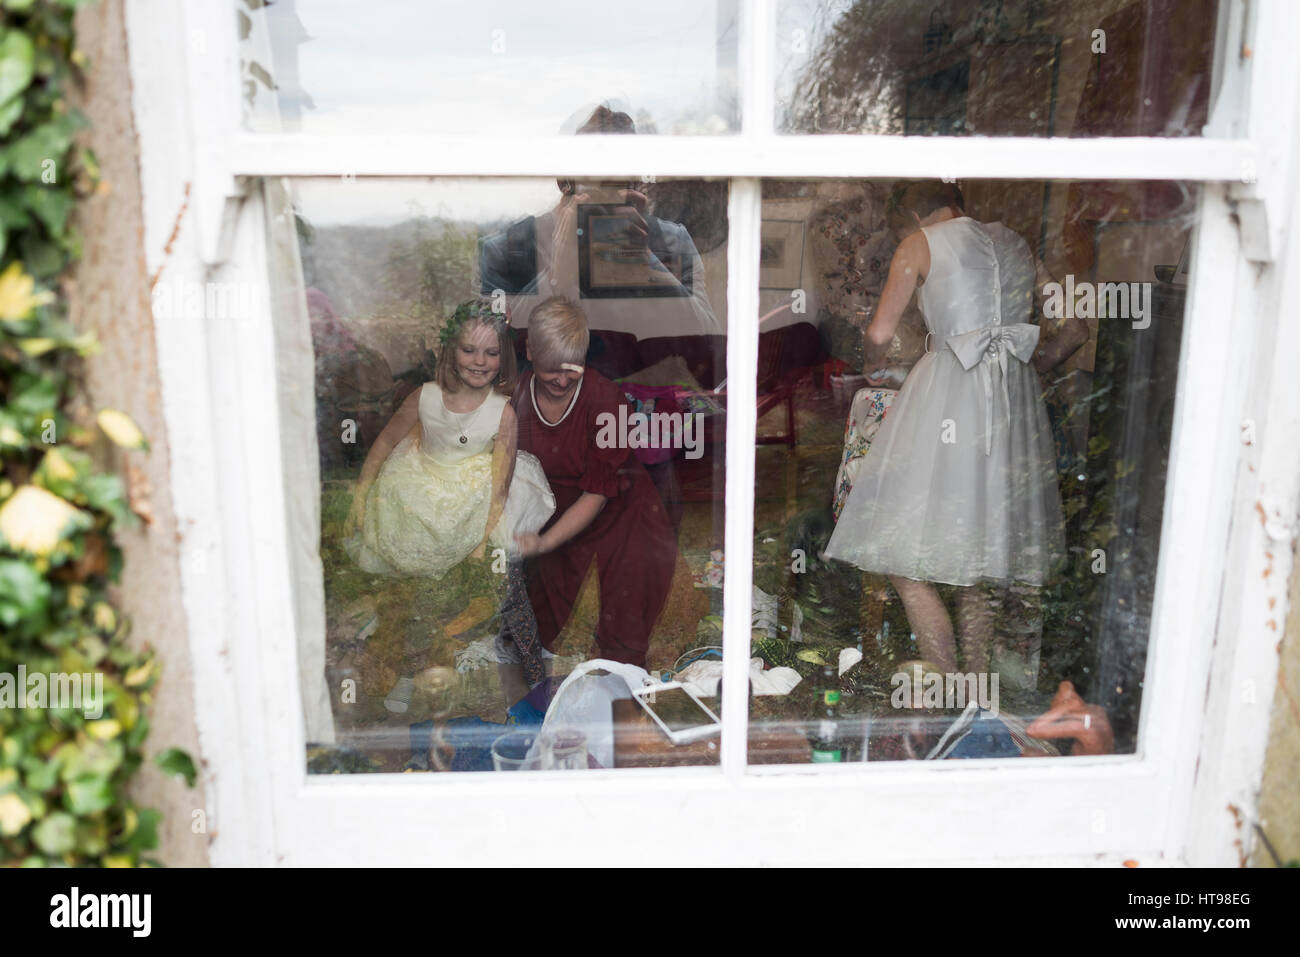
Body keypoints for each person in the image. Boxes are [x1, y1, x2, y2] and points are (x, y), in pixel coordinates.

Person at [825, 181, 1067, 675]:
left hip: (947, 393)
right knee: (977, 562)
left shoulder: (920, 242)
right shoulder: (1018, 242)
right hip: (1012, 400)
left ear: (912, 215)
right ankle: (976, 693)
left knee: (902, 554)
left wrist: (873, 365)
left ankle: (945, 680)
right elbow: (1073, 327)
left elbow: (878, 333)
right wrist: (1031, 369)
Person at [344, 299, 555, 706]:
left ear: (502, 358)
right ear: (450, 352)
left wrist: (479, 541)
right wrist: (362, 493)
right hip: (426, 504)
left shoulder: (502, 413)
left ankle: (535, 679)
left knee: (511, 595)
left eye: (491, 353)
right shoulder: (423, 398)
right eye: (469, 350)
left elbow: (499, 483)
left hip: (479, 507)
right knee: (421, 602)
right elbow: (386, 443)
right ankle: (412, 673)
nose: (480, 361)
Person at [510, 296, 680, 669]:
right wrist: (539, 539)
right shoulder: (517, 396)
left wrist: (546, 541)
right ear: (529, 352)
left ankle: (621, 684)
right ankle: (538, 673)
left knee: (627, 604)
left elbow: (597, 493)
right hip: (555, 506)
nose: (561, 379)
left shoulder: (607, 401)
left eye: (573, 369)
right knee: (543, 599)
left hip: (619, 508)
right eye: (551, 369)